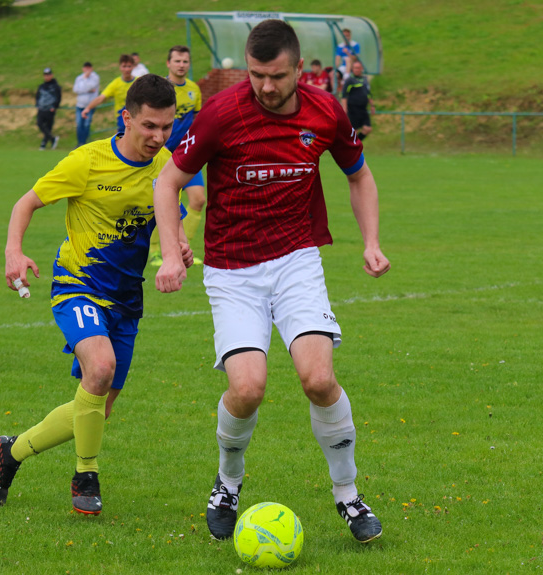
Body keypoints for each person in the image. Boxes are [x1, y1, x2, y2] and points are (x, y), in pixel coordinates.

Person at [153, 19, 390, 543]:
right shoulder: (221, 113)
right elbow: (167, 180)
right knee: (248, 387)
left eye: (276, 76)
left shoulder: (326, 110)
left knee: (319, 380)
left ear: (299, 69)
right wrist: (171, 256)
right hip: (232, 270)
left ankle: (349, 497)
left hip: (296, 261)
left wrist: (371, 242)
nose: (265, 86)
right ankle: (228, 483)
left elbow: (360, 174)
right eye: (257, 74)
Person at [0, 75, 193, 514]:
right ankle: (86, 476)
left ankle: (11, 451)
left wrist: (179, 250)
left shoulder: (165, 166)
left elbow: (168, 222)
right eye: (149, 126)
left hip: (126, 299)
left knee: (95, 405)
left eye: (166, 127)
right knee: (100, 368)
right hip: (78, 285)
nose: (159, 137)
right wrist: (14, 252)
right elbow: (25, 203)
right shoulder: (88, 161)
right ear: (126, 118)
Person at [149, 45, 205, 267]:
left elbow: (198, 121)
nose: (181, 65)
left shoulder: (194, 90)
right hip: (161, 156)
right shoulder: (159, 89)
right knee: (159, 204)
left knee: (199, 200)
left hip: (188, 156)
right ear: (168, 64)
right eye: (177, 61)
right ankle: (155, 251)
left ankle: (184, 250)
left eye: (185, 61)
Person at [82, 54, 134, 136]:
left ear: (133, 67)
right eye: (124, 66)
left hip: (137, 118)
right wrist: (88, 108)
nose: (127, 69)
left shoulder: (139, 82)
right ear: (120, 67)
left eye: (129, 66)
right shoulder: (115, 84)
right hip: (122, 120)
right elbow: (101, 98)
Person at [341, 60, 374, 141]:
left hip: (363, 109)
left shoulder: (365, 79)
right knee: (354, 131)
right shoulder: (350, 80)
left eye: (358, 68)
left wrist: (372, 105)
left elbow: (368, 93)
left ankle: (355, 144)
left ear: (361, 68)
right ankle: (352, 147)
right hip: (353, 109)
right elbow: (344, 95)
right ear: (352, 69)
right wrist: (344, 108)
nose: (356, 69)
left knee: (367, 128)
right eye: (355, 68)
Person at [73, 62, 100, 147]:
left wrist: (84, 83)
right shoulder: (79, 78)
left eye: (89, 68)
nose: (87, 70)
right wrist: (86, 88)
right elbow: (75, 89)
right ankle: (80, 142)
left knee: (86, 124)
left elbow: (91, 87)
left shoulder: (95, 77)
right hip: (80, 105)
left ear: (92, 69)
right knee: (79, 124)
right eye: (86, 68)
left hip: (90, 105)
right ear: (83, 69)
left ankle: (84, 143)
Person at [35, 67, 62, 150]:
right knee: (39, 123)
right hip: (42, 108)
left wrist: (54, 106)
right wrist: (38, 105)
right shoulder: (41, 86)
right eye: (45, 75)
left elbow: (58, 97)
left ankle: (44, 143)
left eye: (48, 75)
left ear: (51, 75)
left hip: (50, 109)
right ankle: (52, 139)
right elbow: (37, 96)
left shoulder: (55, 86)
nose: (46, 76)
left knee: (48, 126)